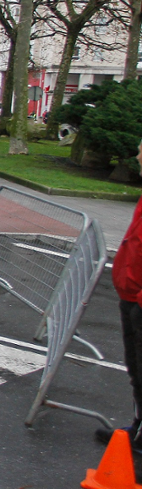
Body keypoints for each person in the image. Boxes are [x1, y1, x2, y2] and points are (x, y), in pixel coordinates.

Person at [96, 139, 142, 450]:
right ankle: (138, 428)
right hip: (131, 293)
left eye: (141, 150)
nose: (137, 155)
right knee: (136, 369)